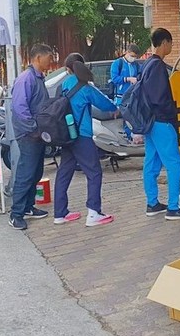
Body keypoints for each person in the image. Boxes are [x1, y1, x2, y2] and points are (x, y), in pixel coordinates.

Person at [54, 53, 118, 227]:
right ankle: (93, 213)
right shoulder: (85, 86)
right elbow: (104, 104)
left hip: (66, 136)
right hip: (82, 136)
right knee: (94, 172)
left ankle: (59, 214)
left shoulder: (63, 86)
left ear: (67, 69)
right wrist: (116, 109)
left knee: (64, 172)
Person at [141, 29, 180, 220]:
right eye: (171, 43)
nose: (171, 47)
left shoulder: (147, 64)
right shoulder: (157, 67)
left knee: (152, 162)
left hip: (150, 122)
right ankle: (174, 207)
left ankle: (153, 203)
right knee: (174, 163)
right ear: (164, 43)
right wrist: (171, 113)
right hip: (162, 121)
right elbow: (159, 98)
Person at [7, 43, 55, 230]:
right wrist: (33, 128)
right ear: (38, 58)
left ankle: (27, 206)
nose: (51, 62)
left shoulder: (39, 77)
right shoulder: (25, 79)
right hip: (28, 134)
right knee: (26, 173)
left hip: (38, 134)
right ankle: (16, 213)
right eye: (49, 58)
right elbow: (19, 108)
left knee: (36, 172)